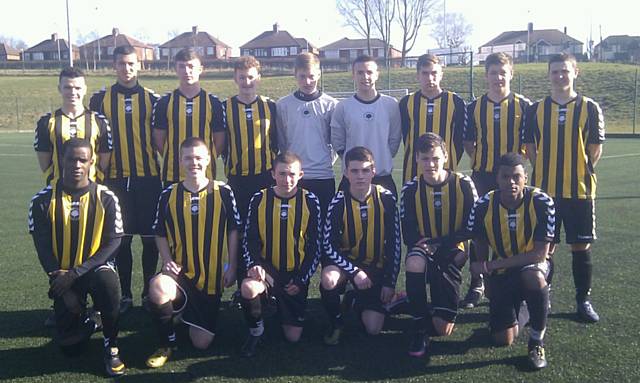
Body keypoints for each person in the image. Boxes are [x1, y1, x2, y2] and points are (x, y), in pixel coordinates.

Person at [28, 138, 126, 376]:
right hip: (62, 274)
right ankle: (91, 321)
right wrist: (62, 284)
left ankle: (111, 345)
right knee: (70, 349)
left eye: (83, 159)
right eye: (71, 158)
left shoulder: (106, 197)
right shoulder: (41, 200)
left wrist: (76, 274)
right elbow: (43, 249)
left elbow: (114, 242)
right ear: (61, 159)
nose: (77, 164)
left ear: (91, 162)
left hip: (95, 269)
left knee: (108, 282)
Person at [523, 53, 605, 323]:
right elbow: (531, 148)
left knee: (580, 246)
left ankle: (583, 300)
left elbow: (595, 149)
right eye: (555, 71)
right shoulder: (536, 109)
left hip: (580, 191)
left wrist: (576, 170)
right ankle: (544, 296)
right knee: (546, 247)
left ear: (575, 72)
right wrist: (545, 170)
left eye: (565, 71)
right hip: (545, 193)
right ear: (549, 75)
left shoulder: (589, 107)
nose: (560, 76)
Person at [145, 137, 241, 368]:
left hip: (210, 279)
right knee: (157, 288)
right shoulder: (169, 194)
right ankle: (166, 343)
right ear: (180, 161)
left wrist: (233, 267)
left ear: (208, 159)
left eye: (198, 157)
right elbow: (159, 232)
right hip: (180, 273)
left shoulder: (223, 191)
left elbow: (234, 231)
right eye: (188, 158)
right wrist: (166, 261)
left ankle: (180, 314)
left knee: (201, 343)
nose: (193, 162)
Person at [89, 45, 162, 314]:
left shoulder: (154, 99)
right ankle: (126, 294)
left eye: (131, 64)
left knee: (151, 239)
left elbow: (160, 140)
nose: (127, 68)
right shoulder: (99, 99)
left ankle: (147, 291)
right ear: (114, 66)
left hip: (149, 178)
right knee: (122, 240)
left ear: (139, 65)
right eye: (122, 64)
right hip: (115, 180)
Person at [467, 152, 555, 370]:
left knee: (532, 276)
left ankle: (536, 342)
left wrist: (489, 266)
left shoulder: (542, 202)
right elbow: (480, 243)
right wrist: (486, 279)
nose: (511, 182)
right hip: (501, 272)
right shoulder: (483, 205)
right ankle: (528, 306)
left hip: (531, 266)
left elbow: (539, 255)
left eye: (517, 176)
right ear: (497, 178)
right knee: (502, 339)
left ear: (526, 176)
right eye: (505, 177)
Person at [461, 52, 532, 309]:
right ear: (486, 75)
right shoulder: (475, 106)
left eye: (503, 72)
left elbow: (529, 143)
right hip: (483, 175)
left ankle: (516, 281)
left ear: (511, 74)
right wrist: (484, 162)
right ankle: (477, 284)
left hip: (513, 179)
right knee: (480, 232)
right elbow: (469, 143)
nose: (498, 77)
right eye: (493, 73)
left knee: (515, 230)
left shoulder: (524, 105)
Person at [400, 133, 477, 359]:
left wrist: (439, 243)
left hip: (454, 247)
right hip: (423, 247)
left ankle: (410, 302)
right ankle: (419, 326)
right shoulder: (410, 189)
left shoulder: (463, 183)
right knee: (414, 262)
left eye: (435, 158)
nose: (430, 164)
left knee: (443, 330)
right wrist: (424, 245)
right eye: (424, 159)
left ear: (445, 156)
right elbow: (408, 232)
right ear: (417, 159)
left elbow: (472, 227)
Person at [239, 152, 321, 357]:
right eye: (282, 174)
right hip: (268, 273)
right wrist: (254, 264)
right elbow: (250, 238)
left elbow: (315, 246)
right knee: (248, 288)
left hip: (294, 275)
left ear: (301, 175)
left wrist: (302, 279)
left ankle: (274, 306)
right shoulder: (259, 198)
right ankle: (256, 330)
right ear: (273, 174)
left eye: (292, 174)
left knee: (293, 337)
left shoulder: (310, 200)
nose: (287, 179)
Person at [321, 147, 401, 345]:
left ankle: (355, 298)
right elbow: (328, 246)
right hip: (348, 265)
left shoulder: (386, 198)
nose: (360, 176)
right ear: (346, 173)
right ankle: (336, 322)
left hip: (376, 267)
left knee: (373, 329)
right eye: (354, 171)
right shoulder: (338, 202)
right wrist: (355, 271)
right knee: (329, 279)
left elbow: (395, 243)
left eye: (365, 170)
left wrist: (390, 282)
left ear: (373, 171)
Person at [276, 52, 338, 216]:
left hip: (323, 176)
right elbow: (282, 141)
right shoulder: (283, 105)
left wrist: (324, 160)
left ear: (319, 73)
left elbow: (336, 142)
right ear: (295, 74)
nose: (307, 81)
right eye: (302, 76)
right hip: (294, 178)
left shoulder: (331, 104)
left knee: (324, 225)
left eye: (311, 76)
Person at [331, 55, 402, 197]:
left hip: (382, 177)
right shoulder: (343, 107)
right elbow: (338, 142)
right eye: (360, 72)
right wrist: (354, 164)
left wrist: (382, 155)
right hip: (351, 179)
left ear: (377, 75)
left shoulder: (391, 104)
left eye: (369, 72)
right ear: (353, 76)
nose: (365, 77)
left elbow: (394, 140)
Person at [152, 48, 225, 185]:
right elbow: (159, 140)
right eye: (182, 66)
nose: (187, 71)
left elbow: (219, 141)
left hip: (205, 175)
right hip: (173, 175)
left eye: (191, 66)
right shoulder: (164, 102)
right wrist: (177, 159)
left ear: (200, 69)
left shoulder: (214, 103)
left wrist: (203, 161)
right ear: (176, 69)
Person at [35, 67, 112, 185]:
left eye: (77, 88)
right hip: (58, 192)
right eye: (68, 87)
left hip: (91, 192)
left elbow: (104, 161)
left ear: (85, 90)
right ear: (59, 89)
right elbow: (45, 163)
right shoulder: (46, 122)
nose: (73, 92)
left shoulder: (99, 122)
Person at [223, 55, 277, 222]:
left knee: (264, 224)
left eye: (251, 77)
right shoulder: (224, 107)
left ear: (258, 78)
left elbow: (276, 140)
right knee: (238, 226)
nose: (247, 82)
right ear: (235, 79)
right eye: (242, 77)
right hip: (237, 177)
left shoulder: (270, 106)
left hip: (265, 175)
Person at [399, 53, 466, 184]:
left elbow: (459, 141)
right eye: (425, 73)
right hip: (413, 173)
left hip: (446, 172)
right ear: (417, 75)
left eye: (434, 73)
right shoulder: (406, 102)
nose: (430, 78)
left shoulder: (456, 102)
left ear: (441, 74)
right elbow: (404, 135)